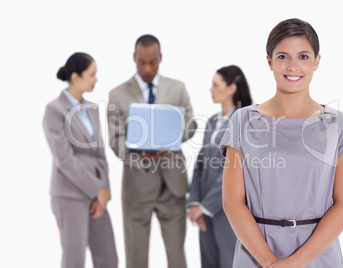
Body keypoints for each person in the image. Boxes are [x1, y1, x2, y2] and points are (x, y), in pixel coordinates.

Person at [220, 18, 343, 268]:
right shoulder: (242, 121)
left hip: (318, 254)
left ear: (317, 62)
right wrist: (270, 263)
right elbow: (232, 203)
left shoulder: (338, 124)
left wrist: (297, 262)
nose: (293, 66)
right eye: (283, 56)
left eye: (304, 57)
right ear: (269, 61)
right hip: (256, 253)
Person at [107, 34, 197, 268]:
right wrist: (142, 159)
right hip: (137, 186)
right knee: (136, 258)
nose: (147, 68)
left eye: (153, 62)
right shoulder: (117, 94)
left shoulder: (177, 88)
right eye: (142, 62)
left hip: (173, 185)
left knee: (177, 256)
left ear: (160, 58)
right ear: (134, 58)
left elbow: (192, 124)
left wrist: (170, 137)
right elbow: (116, 140)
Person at [42, 52, 118, 268]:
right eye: (92, 75)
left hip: (97, 195)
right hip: (70, 194)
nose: (96, 79)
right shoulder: (54, 111)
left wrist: (103, 192)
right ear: (75, 77)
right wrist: (96, 189)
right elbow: (64, 159)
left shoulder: (92, 109)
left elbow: (100, 154)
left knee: (108, 257)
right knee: (75, 259)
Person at [187, 65, 252, 268]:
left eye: (216, 85)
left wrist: (205, 206)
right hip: (204, 208)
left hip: (228, 207)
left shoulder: (245, 120)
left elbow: (231, 170)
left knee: (229, 260)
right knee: (208, 262)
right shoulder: (213, 120)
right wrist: (195, 203)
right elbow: (199, 163)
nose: (211, 89)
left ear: (232, 88)